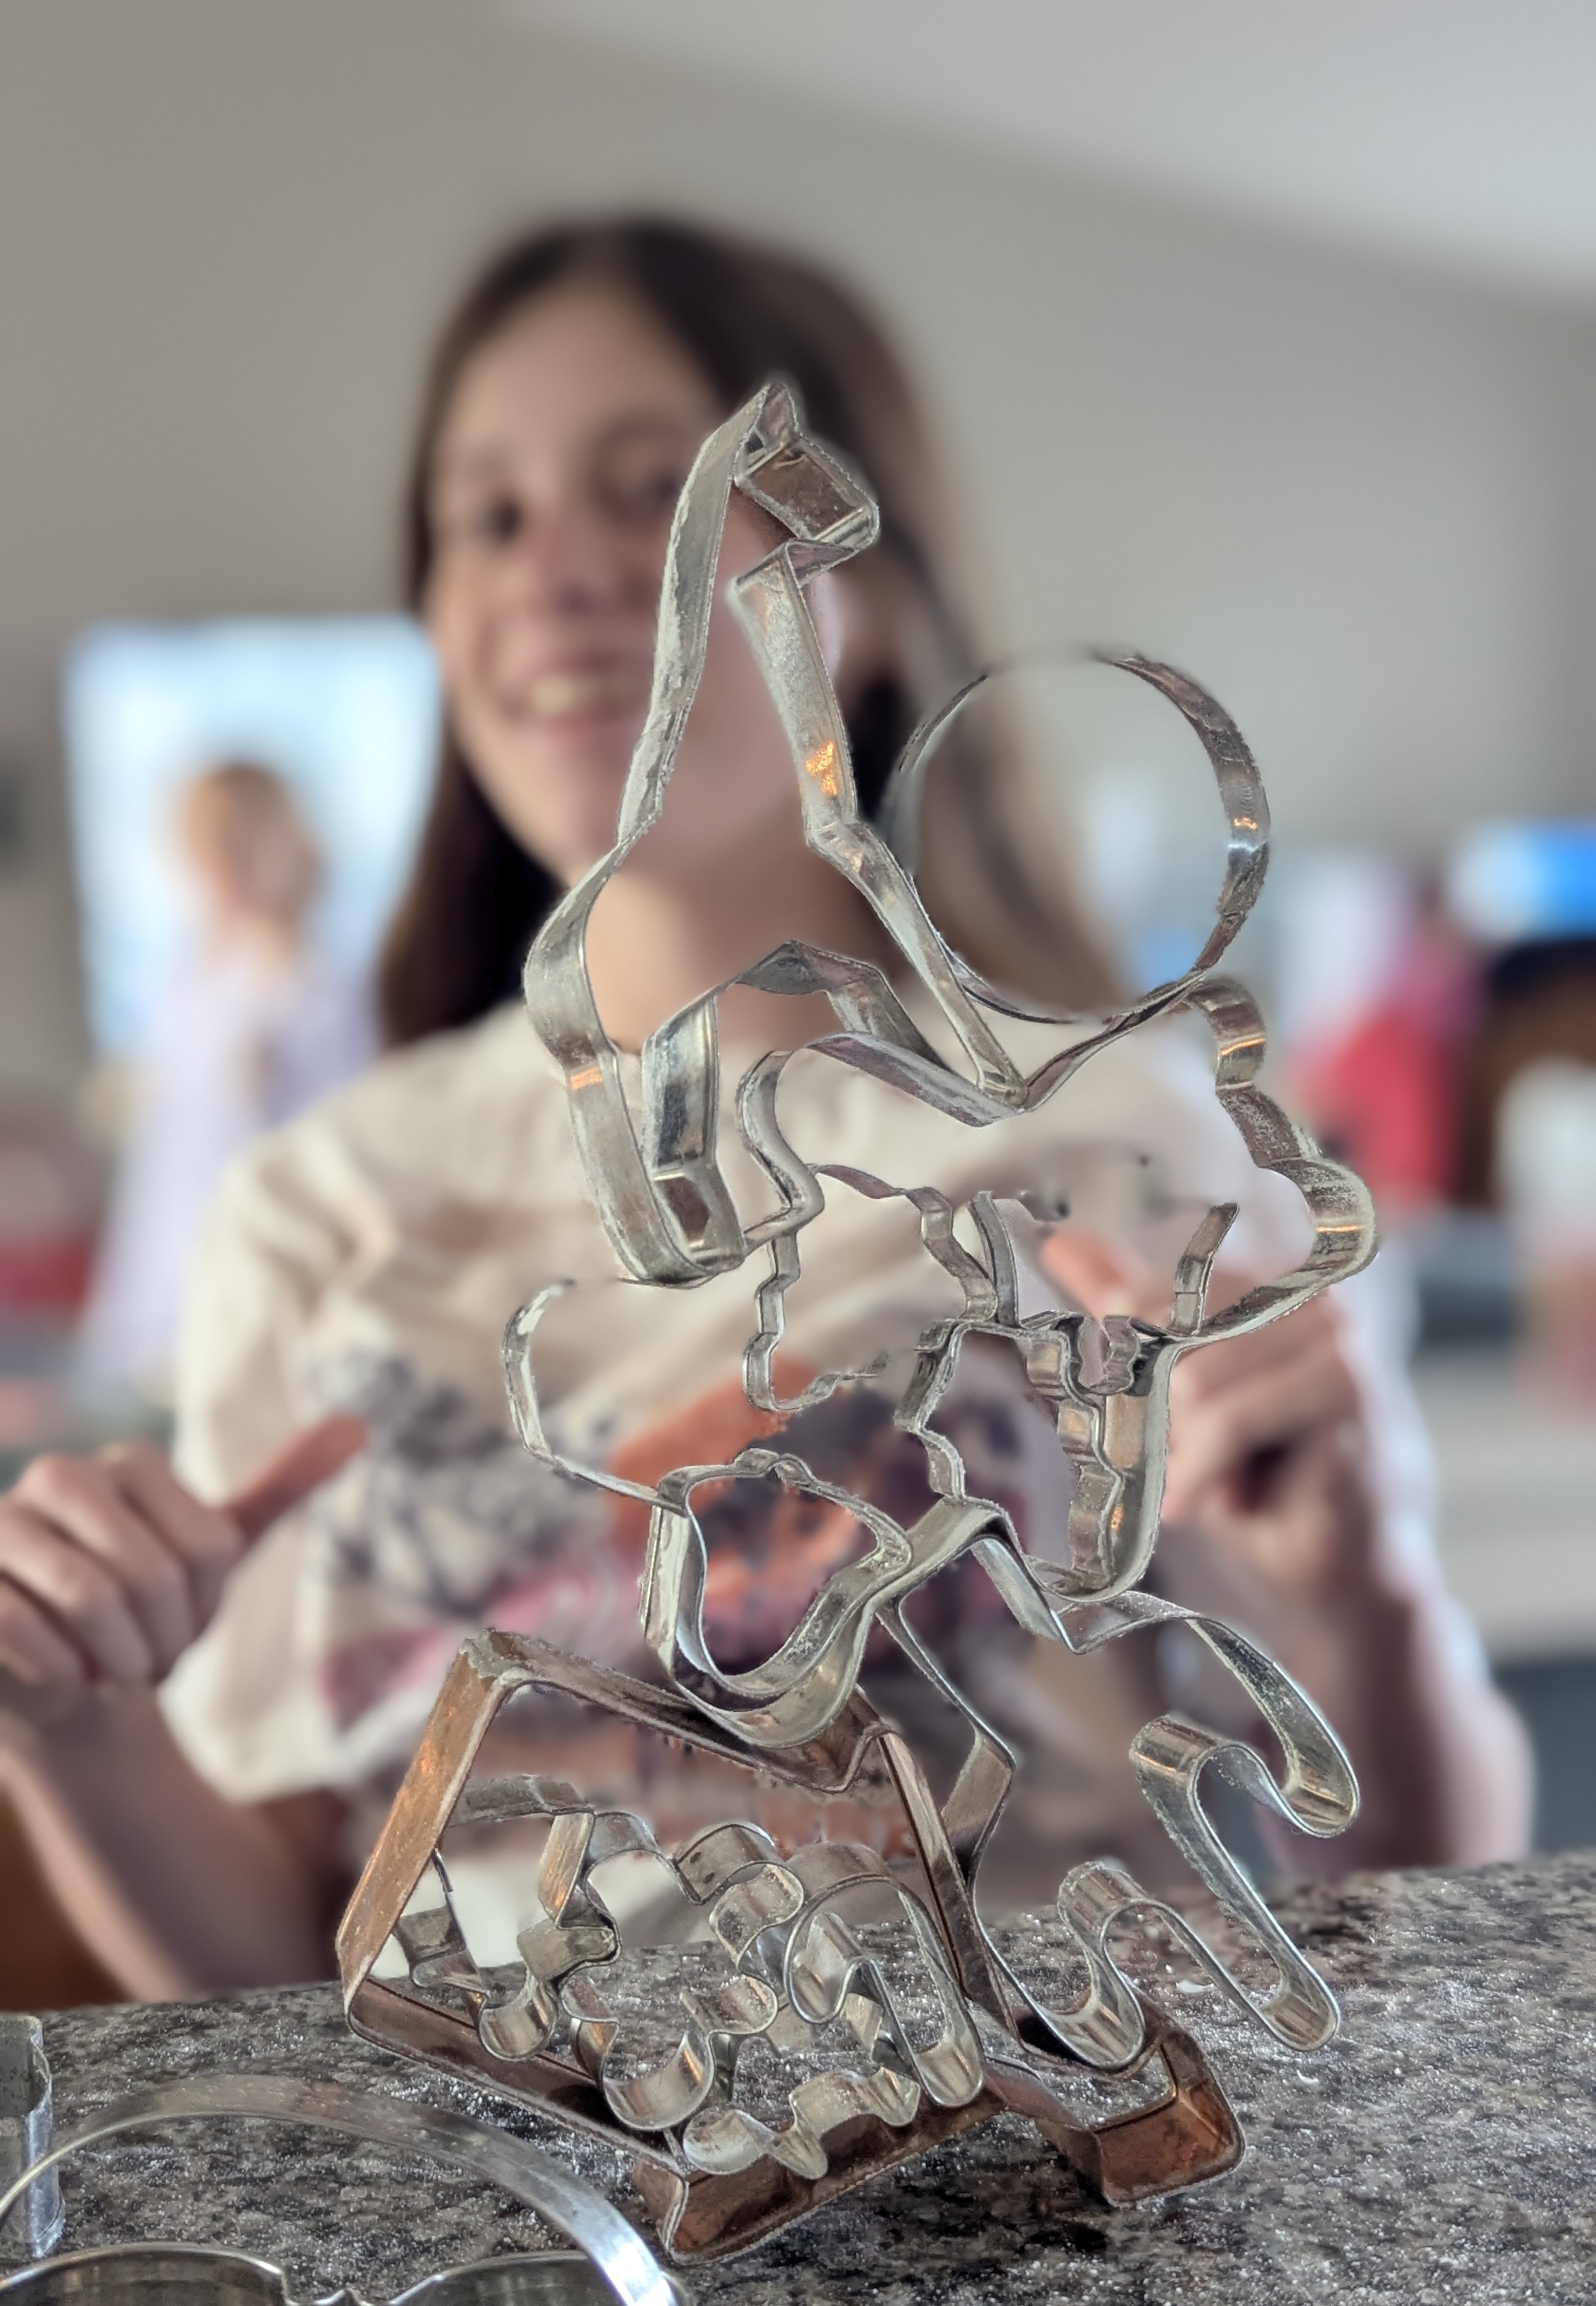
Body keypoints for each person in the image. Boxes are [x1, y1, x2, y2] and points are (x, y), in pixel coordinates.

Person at [0, 220, 1530, 2000]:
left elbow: (1436, 1889)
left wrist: (1363, 1609)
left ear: (862, 583)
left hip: (1036, 2157)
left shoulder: (1135, 1152)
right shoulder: (317, 1205)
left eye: (652, 488)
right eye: (485, 517)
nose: (555, 571)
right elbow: (282, 1971)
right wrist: (70, 1724)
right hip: (495, 2187)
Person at [78, 760, 373, 1398]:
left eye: (241, 844)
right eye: (207, 850)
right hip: (171, 1285)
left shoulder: (321, 992)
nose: (224, 868)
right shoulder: (189, 989)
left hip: (276, 1286)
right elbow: (160, 1175)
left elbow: (342, 1164)